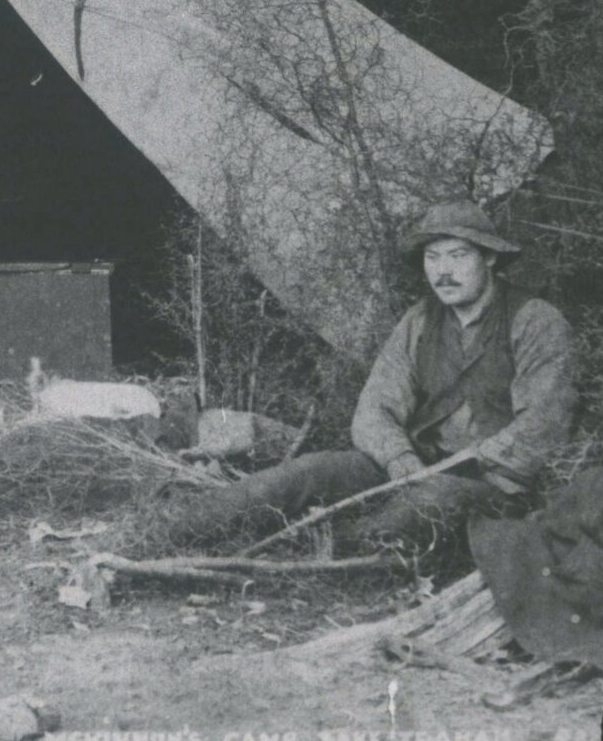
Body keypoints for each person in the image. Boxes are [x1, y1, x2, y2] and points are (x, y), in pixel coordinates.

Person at [169, 200, 576, 558]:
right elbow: (374, 409)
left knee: (409, 516)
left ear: (489, 258)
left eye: (458, 255)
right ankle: (175, 532)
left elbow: (541, 427)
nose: (444, 271)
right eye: (433, 258)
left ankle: (313, 552)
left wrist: (457, 468)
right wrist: (400, 460)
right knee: (308, 472)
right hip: (412, 467)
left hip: (491, 486)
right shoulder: (419, 321)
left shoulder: (535, 321)